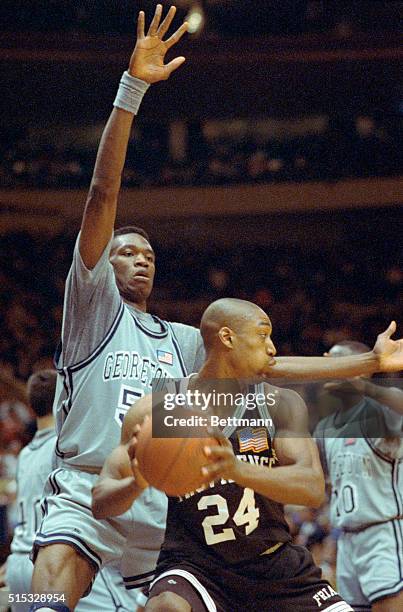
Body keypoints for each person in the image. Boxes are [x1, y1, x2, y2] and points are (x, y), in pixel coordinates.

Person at [29, 5, 403, 611]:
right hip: (92, 483)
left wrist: (366, 366)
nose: (139, 258)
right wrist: (132, 90)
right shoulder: (92, 311)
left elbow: (271, 368)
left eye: (148, 251)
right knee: (40, 600)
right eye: (125, 251)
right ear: (102, 265)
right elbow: (102, 195)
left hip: (169, 496)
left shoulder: (182, 342)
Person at [93, 298, 403, 612]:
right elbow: (100, 502)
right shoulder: (160, 409)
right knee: (166, 607)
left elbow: (310, 488)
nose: (272, 348)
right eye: (262, 335)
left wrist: (236, 468)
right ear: (227, 338)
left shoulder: (280, 403)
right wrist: (138, 482)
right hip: (196, 569)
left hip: (276, 565)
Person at [3, 369, 134, 612]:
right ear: (63, 399)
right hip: (49, 556)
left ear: (31, 408)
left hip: (18, 567)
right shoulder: (63, 448)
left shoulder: (25, 453)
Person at [314, 341, 403, 612]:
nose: (332, 370)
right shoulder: (325, 427)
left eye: (340, 363)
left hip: (384, 533)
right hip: (348, 539)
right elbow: (333, 491)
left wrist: (363, 386)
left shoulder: (380, 414)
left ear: (359, 369)